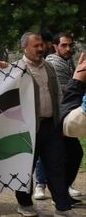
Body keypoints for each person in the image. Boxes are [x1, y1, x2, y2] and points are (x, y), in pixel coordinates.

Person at [14, 32, 75, 216]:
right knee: (25, 169)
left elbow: (59, 96)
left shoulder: (49, 67)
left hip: (51, 127)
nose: (41, 49)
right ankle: (24, 204)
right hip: (27, 129)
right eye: (36, 46)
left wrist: (62, 121)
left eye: (41, 45)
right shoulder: (16, 70)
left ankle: (62, 207)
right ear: (25, 48)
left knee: (56, 166)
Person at [39, 32, 82, 201]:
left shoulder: (68, 62)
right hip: (57, 118)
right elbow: (68, 91)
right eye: (64, 45)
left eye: (70, 45)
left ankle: (62, 193)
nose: (68, 48)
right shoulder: (54, 63)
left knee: (71, 155)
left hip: (63, 115)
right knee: (59, 157)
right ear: (55, 46)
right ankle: (48, 189)